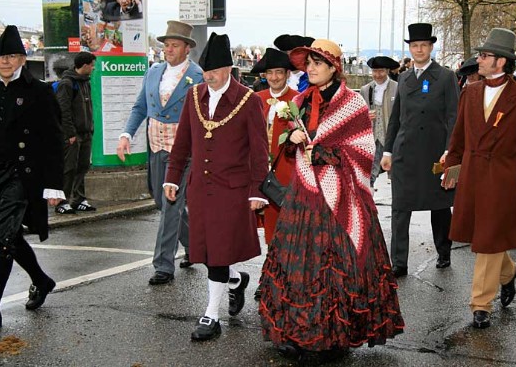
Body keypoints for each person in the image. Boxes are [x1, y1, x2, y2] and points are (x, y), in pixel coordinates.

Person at [259, 39, 404, 361]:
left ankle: (330, 341)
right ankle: (300, 335)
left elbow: (363, 152)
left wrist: (324, 152)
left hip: (341, 198)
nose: (309, 68)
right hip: (304, 195)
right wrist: (293, 138)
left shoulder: (351, 104)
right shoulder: (299, 101)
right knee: (299, 267)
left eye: (316, 63)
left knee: (333, 270)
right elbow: (290, 145)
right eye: (307, 63)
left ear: (333, 68)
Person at [164, 32, 269, 341]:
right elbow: (182, 143)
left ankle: (211, 315)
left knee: (219, 253)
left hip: (233, 190)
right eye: (205, 71)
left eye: (214, 71)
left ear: (228, 69)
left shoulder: (248, 101)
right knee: (208, 252)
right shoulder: (194, 96)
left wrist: (256, 190)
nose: (208, 76)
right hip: (201, 189)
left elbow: (259, 151)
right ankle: (236, 281)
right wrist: (172, 176)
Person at [442, 28, 516, 329]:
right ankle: (509, 272)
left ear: (501, 61)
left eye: (485, 55)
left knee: (487, 242)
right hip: (474, 177)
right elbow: (458, 136)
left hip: (505, 180)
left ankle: (480, 304)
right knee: (486, 236)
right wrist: (452, 168)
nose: (479, 59)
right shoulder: (470, 92)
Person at [116, 20, 203, 285]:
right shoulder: (153, 71)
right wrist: (126, 135)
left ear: (187, 48)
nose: (169, 49)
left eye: (175, 45)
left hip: (182, 152)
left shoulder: (198, 76)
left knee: (170, 206)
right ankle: (195, 246)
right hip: (155, 146)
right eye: (166, 45)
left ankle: (163, 265)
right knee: (159, 198)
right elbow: (140, 107)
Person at [380, 23, 459, 277]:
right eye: (415, 45)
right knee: (400, 208)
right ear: (410, 48)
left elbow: (453, 118)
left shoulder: (446, 77)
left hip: (434, 152)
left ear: (431, 47)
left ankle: (444, 251)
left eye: (424, 45)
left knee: (439, 206)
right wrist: (388, 151)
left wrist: (450, 151)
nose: (419, 49)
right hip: (405, 152)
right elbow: (395, 118)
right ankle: (399, 262)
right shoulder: (403, 77)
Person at [0, 26, 65, 328]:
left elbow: (54, 140)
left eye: (12, 56)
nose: (5, 61)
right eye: (1, 56)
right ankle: (41, 279)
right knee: (9, 238)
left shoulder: (38, 92)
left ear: (23, 60)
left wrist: (54, 185)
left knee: (3, 242)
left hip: (21, 176)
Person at [250, 48, 299, 299]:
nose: (274, 77)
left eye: (279, 72)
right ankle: (268, 279)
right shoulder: (255, 99)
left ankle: (284, 279)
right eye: (270, 73)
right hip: (261, 173)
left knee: (286, 229)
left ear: (287, 74)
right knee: (269, 231)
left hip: (286, 172)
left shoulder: (297, 99)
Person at [54, 52, 97, 215]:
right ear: (85, 65)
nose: (93, 68)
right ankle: (62, 201)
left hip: (85, 133)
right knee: (69, 168)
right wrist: (70, 133)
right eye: (92, 65)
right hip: (73, 135)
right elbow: (63, 110)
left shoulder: (85, 82)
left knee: (82, 166)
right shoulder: (67, 83)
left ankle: (78, 199)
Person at [360, 56, 399, 189]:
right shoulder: (366, 89)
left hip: (391, 136)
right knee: (370, 169)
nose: (378, 75)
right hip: (372, 135)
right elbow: (359, 113)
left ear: (387, 71)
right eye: (375, 71)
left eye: (381, 71)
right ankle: (368, 197)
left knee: (395, 171)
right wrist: (365, 116)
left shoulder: (397, 88)